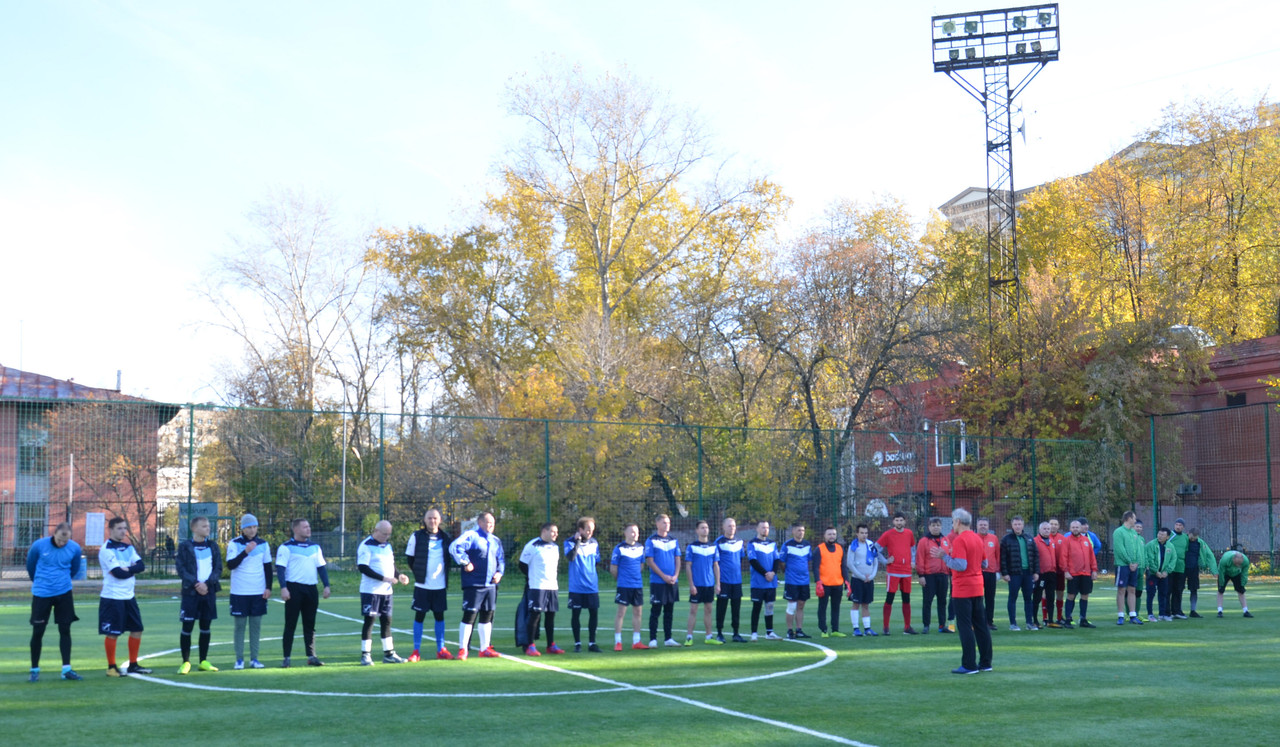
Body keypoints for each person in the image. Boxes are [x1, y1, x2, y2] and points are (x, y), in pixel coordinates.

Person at [930, 509, 991, 675]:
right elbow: (985, 563)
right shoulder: (978, 539)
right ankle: (986, 663)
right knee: (980, 626)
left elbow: (961, 565)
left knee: (965, 627)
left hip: (963, 589)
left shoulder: (959, 540)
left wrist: (944, 557)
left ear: (957, 522)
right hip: (978, 586)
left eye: (952, 520)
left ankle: (969, 665)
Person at [27, 522, 82, 682]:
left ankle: (66, 669)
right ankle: (34, 670)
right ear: (54, 534)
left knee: (65, 630)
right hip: (41, 593)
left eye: (65, 541)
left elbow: (74, 569)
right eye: (59, 540)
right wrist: (40, 581)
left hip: (64, 593)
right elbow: (30, 565)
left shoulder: (75, 548)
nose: (62, 543)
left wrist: (62, 581)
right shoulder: (39, 545)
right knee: (38, 631)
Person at [98, 517, 150, 678]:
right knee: (113, 633)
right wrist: (130, 568)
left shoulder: (128, 548)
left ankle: (133, 665)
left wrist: (127, 568)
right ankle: (111, 667)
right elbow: (118, 574)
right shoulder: (106, 549)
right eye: (119, 528)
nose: (123, 531)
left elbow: (141, 566)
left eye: (124, 528)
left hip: (129, 596)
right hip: (112, 598)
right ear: (111, 529)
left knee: (137, 629)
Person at [449, 511, 505, 660]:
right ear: (480, 523)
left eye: (492, 524)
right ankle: (463, 649)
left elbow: (501, 559)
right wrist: (465, 562)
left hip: (490, 585)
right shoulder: (471, 536)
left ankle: (484, 648)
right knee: (470, 615)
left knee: (487, 615)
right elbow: (454, 547)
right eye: (488, 523)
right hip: (474, 584)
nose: (490, 526)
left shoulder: (495, 540)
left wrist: (499, 573)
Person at [276, 518, 332, 667]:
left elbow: (321, 568)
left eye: (309, 526)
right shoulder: (286, 547)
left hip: (311, 589)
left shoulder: (315, 547)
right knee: (290, 624)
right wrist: (283, 587)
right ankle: (286, 658)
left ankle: (311, 656)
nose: (308, 529)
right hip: (294, 589)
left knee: (310, 624)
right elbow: (280, 569)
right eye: (305, 527)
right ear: (295, 529)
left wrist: (326, 585)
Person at [357, 520, 411, 665]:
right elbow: (363, 567)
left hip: (386, 592)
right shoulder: (366, 545)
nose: (386, 537)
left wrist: (399, 575)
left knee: (386, 621)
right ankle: (365, 655)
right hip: (371, 591)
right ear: (376, 531)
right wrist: (383, 578)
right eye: (384, 533)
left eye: (388, 534)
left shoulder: (387, 546)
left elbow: (391, 565)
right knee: (370, 621)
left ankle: (389, 654)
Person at [404, 508, 454, 661]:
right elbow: (410, 559)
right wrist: (419, 574)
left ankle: (441, 649)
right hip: (422, 586)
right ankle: (416, 651)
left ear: (440, 520)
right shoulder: (417, 536)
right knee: (419, 617)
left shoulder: (446, 538)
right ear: (424, 520)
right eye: (429, 518)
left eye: (435, 518)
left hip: (440, 587)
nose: (432, 521)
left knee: (440, 617)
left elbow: (451, 557)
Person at [225, 513, 272, 670]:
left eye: (254, 527)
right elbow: (231, 565)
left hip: (258, 591)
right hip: (239, 592)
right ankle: (239, 659)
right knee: (239, 626)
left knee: (256, 626)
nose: (252, 530)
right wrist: (245, 552)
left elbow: (267, 567)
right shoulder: (234, 544)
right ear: (243, 529)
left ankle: (254, 659)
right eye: (249, 527)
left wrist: (268, 588)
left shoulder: (263, 544)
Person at [177, 515, 222, 674]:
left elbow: (218, 568)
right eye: (204, 526)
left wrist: (208, 584)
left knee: (205, 626)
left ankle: (203, 660)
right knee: (187, 626)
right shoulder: (185, 546)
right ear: (194, 529)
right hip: (191, 592)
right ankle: (186, 662)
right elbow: (181, 569)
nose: (208, 528)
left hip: (208, 592)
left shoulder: (213, 546)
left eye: (208, 526)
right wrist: (196, 584)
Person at [519, 522, 565, 656]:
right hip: (537, 586)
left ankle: (550, 645)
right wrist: (532, 577)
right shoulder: (532, 546)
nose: (556, 534)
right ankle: (530, 645)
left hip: (552, 586)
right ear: (544, 531)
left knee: (550, 616)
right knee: (535, 616)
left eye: (556, 532)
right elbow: (522, 565)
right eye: (553, 531)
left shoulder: (555, 547)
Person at [876, 512, 918, 636]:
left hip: (906, 572)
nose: (899, 522)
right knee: (890, 598)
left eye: (901, 520)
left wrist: (913, 561)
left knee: (906, 599)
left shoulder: (909, 533)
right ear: (893, 522)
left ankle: (907, 627)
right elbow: (875, 548)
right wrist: (885, 561)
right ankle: (886, 627)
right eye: (897, 520)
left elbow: (912, 549)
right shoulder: (888, 534)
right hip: (893, 572)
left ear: (905, 521)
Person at [644, 514, 683, 648]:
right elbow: (650, 561)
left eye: (668, 522)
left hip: (672, 581)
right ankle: (653, 639)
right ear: (657, 524)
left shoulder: (673, 540)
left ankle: (668, 638)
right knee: (655, 610)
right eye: (664, 522)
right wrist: (663, 576)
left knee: (669, 610)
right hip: (658, 582)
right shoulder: (651, 540)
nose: (667, 525)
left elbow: (678, 559)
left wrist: (675, 575)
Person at [564, 516, 602, 652]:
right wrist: (577, 542)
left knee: (594, 614)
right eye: (588, 529)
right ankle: (577, 643)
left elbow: (597, 560)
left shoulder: (594, 543)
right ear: (580, 529)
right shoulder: (569, 542)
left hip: (591, 586)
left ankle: (592, 643)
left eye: (592, 530)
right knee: (576, 614)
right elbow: (571, 557)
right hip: (576, 587)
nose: (590, 532)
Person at [610, 523, 648, 650]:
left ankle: (636, 641)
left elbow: (641, 566)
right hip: (624, 586)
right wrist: (621, 580)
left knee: (638, 612)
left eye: (636, 532)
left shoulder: (641, 548)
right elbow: (613, 569)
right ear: (625, 533)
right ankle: (618, 642)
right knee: (621, 612)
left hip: (637, 585)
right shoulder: (619, 548)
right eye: (632, 532)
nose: (635, 534)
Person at [683, 519, 720, 646]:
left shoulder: (713, 546)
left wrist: (718, 584)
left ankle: (709, 636)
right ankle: (689, 637)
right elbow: (688, 566)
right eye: (702, 527)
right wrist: (691, 584)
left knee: (709, 610)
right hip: (697, 585)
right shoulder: (692, 547)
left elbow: (716, 565)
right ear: (697, 530)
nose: (705, 530)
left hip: (709, 584)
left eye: (707, 527)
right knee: (693, 610)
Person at [999, 516, 1039, 631]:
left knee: (1028, 598)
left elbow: (1035, 556)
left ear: (1023, 525)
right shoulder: (1006, 539)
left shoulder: (1029, 538)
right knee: (1012, 598)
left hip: (1028, 573)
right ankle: (1013, 624)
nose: (1018, 526)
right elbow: (1003, 558)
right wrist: (1005, 573)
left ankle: (1029, 623)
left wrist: (1036, 572)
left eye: (1019, 524)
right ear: (1012, 525)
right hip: (1014, 574)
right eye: (1015, 524)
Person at [746, 520, 782, 641]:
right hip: (758, 582)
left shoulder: (772, 544)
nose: (765, 530)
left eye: (767, 527)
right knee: (757, 606)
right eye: (762, 527)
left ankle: (769, 632)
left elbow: (777, 559)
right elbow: (753, 561)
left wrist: (773, 573)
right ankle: (754, 633)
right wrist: (765, 573)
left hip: (771, 581)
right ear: (757, 529)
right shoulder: (752, 543)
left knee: (769, 606)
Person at [1060, 519, 1098, 629]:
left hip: (1086, 573)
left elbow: (1092, 557)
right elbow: (1063, 557)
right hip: (1073, 573)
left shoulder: (1086, 540)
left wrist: (1094, 570)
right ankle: (1068, 619)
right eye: (1073, 527)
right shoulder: (1066, 540)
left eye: (1077, 527)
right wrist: (1066, 571)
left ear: (1081, 528)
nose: (1075, 529)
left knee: (1085, 596)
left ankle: (1083, 619)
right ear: (1070, 529)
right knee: (1071, 595)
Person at [845, 523, 882, 636]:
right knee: (856, 603)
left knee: (866, 604)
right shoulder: (853, 546)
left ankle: (867, 628)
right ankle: (856, 628)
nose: (864, 535)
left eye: (866, 533)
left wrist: (871, 576)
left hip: (869, 580)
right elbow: (850, 564)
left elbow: (876, 562)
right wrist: (861, 576)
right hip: (857, 579)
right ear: (857, 533)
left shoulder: (871, 545)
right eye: (862, 533)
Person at [714, 517, 746, 643]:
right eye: (729, 526)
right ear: (723, 527)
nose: (731, 528)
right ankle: (720, 633)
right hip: (724, 581)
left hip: (736, 581)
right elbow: (715, 562)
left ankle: (736, 633)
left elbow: (741, 559)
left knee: (736, 608)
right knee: (721, 608)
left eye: (733, 525)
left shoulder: (739, 542)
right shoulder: (719, 542)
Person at [916, 518, 950, 635]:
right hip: (929, 575)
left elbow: (950, 556)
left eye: (938, 525)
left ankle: (942, 625)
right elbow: (919, 559)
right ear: (929, 527)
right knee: (927, 601)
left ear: (941, 527)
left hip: (943, 575)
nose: (936, 527)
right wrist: (921, 575)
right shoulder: (923, 541)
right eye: (933, 525)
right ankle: (926, 625)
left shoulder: (945, 540)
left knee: (942, 601)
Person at [813, 527, 848, 637]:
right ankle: (823, 630)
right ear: (825, 535)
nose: (832, 536)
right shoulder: (819, 549)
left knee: (836, 607)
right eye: (829, 534)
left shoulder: (840, 548)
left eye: (833, 534)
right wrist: (818, 581)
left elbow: (844, 567)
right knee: (822, 607)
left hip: (837, 583)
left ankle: (835, 630)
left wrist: (847, 581)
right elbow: (815, 567)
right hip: (824, 584)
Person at [780, 522, 813, 639]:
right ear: (793, 531)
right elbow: (782, 561)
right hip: (792, 581)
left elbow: (808, 560)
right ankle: (790, 630)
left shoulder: (807, 545)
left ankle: (799, 629)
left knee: (801, 605)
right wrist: (788, 573)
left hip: (804, 581)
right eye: (799, 530)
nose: (801, 533)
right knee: (791, 606)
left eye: (803, 530)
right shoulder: (787, 545)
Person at [1112, 511, 1145, 626]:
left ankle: (1133, 615)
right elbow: (1120, 549)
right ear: (1128, 518)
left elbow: (1137, 550)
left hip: (1134, 566)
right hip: (1123, 565)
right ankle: (1121, 615)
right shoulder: (1118, 532)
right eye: (1134, 518)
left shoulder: (1134, 533)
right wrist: (1129, 562)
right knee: (1122, 590)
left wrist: (1136, 563)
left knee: (1132, 590)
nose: (1135, 521)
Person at [1183, 528, 1217, 618]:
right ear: (1188, 533)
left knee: (1194, 590)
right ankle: (1176, 611)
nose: (1193, 539)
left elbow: (1209, 555)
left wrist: (1214, 570)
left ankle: (1193, 610)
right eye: (1192, 537)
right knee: (1178, 590)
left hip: (1194, 569)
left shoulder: (1200, 543)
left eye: (1195, 537)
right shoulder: (1183, 540)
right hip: (1181, 568)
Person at [1145, 527, 1177, 621]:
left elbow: (1173, 559)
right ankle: (1150, 614)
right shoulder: (1151, 545)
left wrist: (1166, 571)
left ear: (1167, 537)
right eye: (1159, 534)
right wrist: (1155, 571)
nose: (1160, 536)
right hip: (1152, 574)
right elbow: (1149, 558)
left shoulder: (1170, 546)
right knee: (1151, 593)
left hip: (1164, 575)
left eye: (1162, 535)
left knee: (1163, 593)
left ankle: (1162, 614)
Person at [1032, 522, 1060, 628]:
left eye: (1048, 528)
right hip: (1041, 574)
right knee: (1037, 597)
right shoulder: (1035, 541)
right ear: (1040, 530)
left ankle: (1051, 620)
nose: (1047, 530)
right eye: (1044, 529)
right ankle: (1034, 620)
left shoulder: (1052, 541)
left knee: (1051, 597)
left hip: (1052, 573)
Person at [976, 518, 1000, 631]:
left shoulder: (994, 538)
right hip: (977, 573)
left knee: (990, 598)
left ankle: (989, 621)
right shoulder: (974, 538)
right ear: (977, 526)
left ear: (988, 526)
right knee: (977, 599)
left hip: (991, 573)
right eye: (981, 524)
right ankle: (977, 622)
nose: (983, 526)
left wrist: (998, 571)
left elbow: (997, 555)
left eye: (985, 525)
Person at [1216, 550, 1252, 618]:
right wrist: (1221, 583)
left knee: (1241, 591)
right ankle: (1220, 611)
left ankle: (1245, 611)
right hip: (1225, 573)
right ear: (1233, 559)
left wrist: (1242, 584)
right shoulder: (1225, 559)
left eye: (1239, 564)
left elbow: (1244, 573)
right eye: (1236, 563)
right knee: (1220, 591)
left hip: (1237, 573)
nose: (1237, 565)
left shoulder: (1245, 561)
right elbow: (1221, 572)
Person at [1167, 518, 1190, 619]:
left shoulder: (1185, 537)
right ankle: (1167, 612)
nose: (1178, 526)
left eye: (1180, 525)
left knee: (1178, 589)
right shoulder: (1170, 535)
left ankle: (1177, 611)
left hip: (1181, 567)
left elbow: (1186, 550)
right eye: (1177, 524)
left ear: (1183, 527)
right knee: (1168, 589)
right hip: (1170, 567)